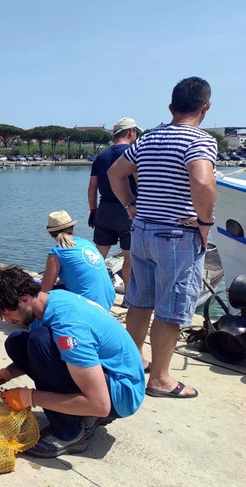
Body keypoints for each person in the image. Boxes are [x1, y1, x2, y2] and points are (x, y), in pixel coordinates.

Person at [108, 77, 217, 399]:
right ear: (205, 107)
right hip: (176, 234)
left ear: (171, 107)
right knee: (172, 308)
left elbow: (116, 172)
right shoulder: (200, 140)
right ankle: (160, 379)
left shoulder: (149, 139)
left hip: (141, 229)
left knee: (140, 300)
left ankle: (131, 363)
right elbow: (203, 181)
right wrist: (205, 222)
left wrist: (130, 205)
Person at [0, 266, 144, 458]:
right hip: (106, 375)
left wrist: (30, 397)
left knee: (39, 341)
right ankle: (83, 415)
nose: (6, 320)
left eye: (6, 313)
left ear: (24, 300)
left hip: (120, 394)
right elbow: (46, 357)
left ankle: (69, 434)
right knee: (16, 342)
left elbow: (100, 404)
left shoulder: (68, 327)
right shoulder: (47, 300)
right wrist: (6, 373)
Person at [88, 117, 139, 292]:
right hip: (128, 210)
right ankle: (128, 297)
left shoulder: (101, 157)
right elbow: (140, 182)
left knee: (98, 257)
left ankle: (93, 291)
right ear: (131, 132)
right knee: (129, 258)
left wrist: (93, 211)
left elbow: (92, 188)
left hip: (104, 210)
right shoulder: (133, 153)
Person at [40, 210, 115, 310]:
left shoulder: (57, 253)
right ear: (72, 228)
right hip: (106, 303)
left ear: (50, 234)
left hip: (86, 307)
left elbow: (44, 290)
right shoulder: (86, 243)